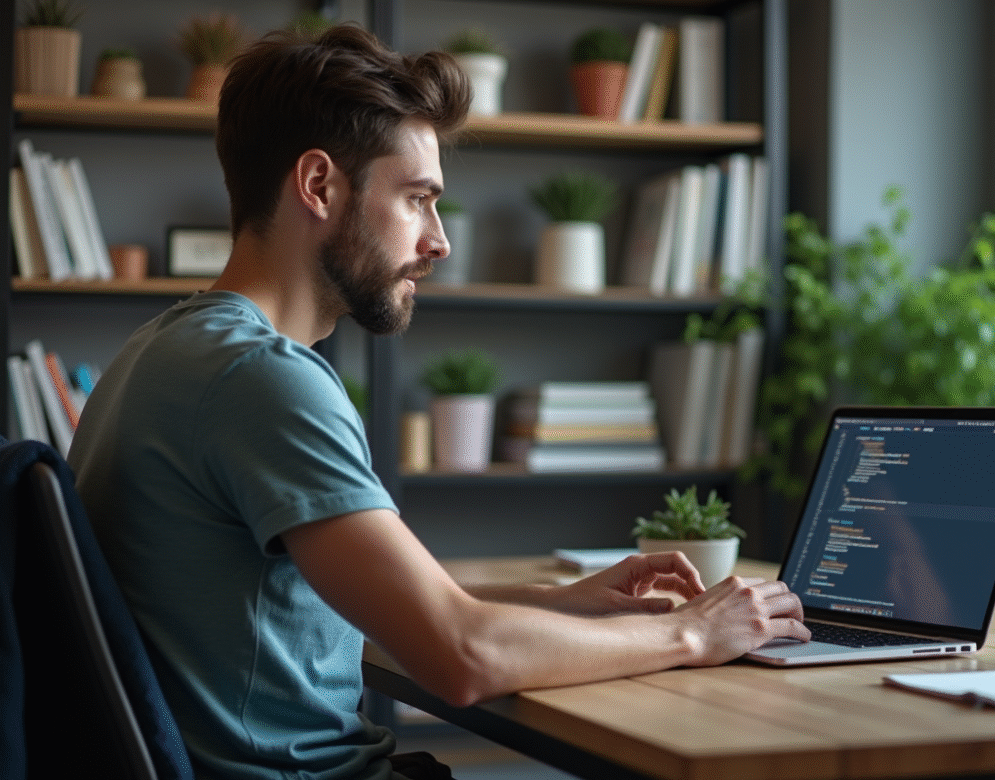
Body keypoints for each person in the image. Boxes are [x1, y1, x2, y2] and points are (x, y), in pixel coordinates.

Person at [67, 24, 811, 780]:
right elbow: (463, 656)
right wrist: (695, 632)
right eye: (417, 199)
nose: (438, 241)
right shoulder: (263, 378)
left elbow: (355, 611)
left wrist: (562, 604)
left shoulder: (159, 352)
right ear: (318, 185)